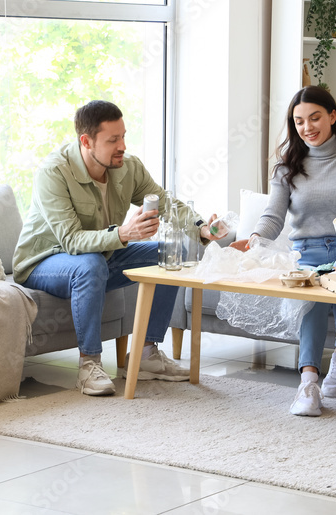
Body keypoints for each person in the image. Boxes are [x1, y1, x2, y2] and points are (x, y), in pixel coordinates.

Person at [12, 100, 225, 396]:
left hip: (101, 258)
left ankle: (147, 355)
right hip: (45, 262)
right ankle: (89, 364)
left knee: (175, 253)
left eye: (123, 136)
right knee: (90, 265)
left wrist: (201, 227)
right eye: (113, 140)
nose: (122, 145)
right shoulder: (54, 173)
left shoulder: (128, 167)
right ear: (86, 141)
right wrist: (123, 233)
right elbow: (72, 241)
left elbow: (165, 203)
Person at [231, 86, 336, 416]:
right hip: (306, 254)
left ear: (332, 116)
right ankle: (309, 383)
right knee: (313, 284)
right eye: (299, 121)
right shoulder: (287, 166)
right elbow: (273, 215)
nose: (307, 127)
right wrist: (255, 238)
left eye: (315, 118)